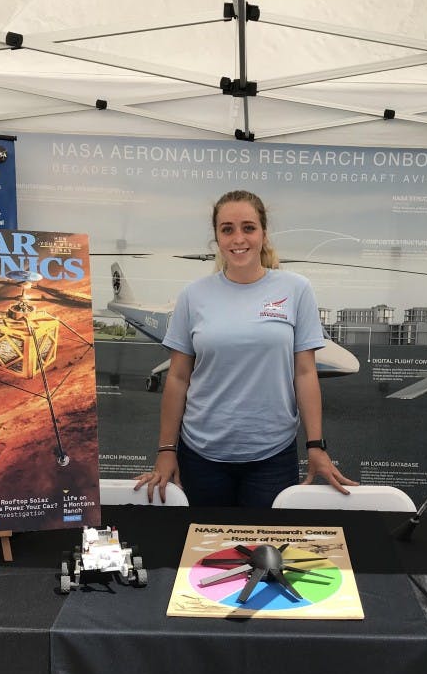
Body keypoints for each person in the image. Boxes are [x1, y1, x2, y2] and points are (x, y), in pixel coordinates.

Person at [135, 190, 358, 505]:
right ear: (217, 238)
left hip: (272, 457)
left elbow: (306, 373)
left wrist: (316, 446)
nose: (238, 238)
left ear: (264, 234)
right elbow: (178, 378)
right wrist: (166, 451)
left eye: (248, 228)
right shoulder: (192, 296)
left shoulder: (296, 289)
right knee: (204, 549)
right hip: (200, 456)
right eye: (227, 229)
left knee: (266, 550)